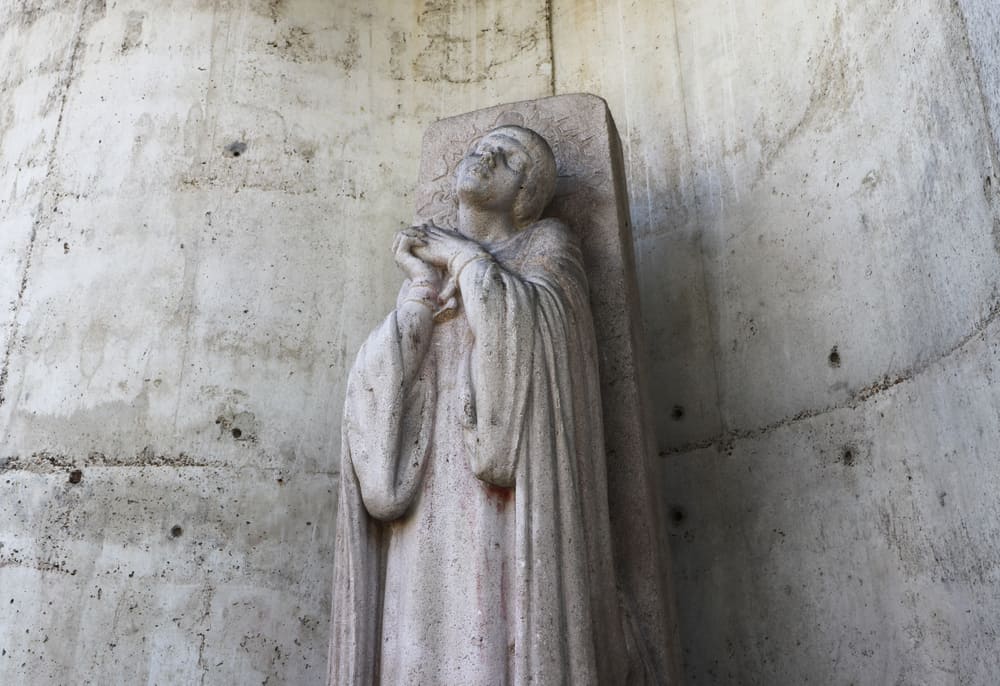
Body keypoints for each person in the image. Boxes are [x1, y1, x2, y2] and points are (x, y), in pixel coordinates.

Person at [330, 126, 634, 684]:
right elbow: (373, 390)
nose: (485, 155)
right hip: (426, 491)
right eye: (480, 147)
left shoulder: (547, 245)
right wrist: (422, 289)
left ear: (527, 193)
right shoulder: (430, 267)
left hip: (505, 496)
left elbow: (549, 343)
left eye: (508, 156)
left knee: (490, 630)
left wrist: (467, 260)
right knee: (419, 631)